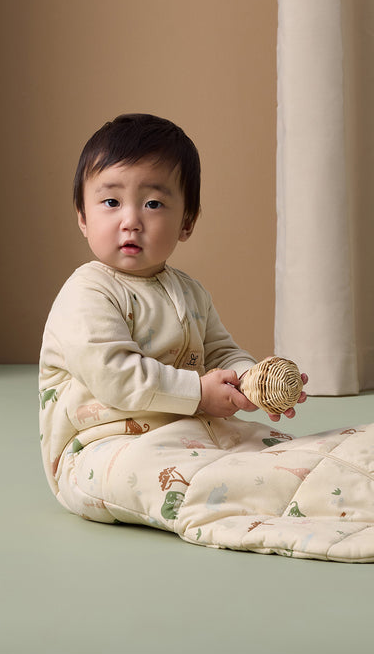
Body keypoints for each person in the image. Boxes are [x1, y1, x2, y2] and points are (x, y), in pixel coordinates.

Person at [38, 113, 307, 515]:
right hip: (101, 444)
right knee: (145, 472)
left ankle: (280, 484)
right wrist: (200, 394)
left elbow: (219, 351)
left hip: (185, 429)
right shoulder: (87, 292)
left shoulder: (190, 292)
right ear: (82, 217)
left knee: (275, 449)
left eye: (153, 203)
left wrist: (250, 381)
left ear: (187, 221)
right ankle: (235, 494)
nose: (130, 221)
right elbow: (117, 377)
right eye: (111, 202)